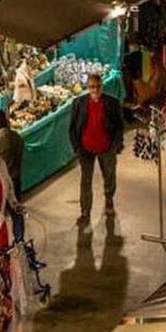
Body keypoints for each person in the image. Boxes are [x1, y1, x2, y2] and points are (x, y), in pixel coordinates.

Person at [69, 72, 123, 227]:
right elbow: (73, 128)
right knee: (86, 181)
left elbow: (119, 126)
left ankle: (109, 200)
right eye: (92, 87)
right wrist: (77, 148)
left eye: (98, 86)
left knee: (109, 176)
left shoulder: (112, 103)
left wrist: (116, 145)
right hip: (85, 149)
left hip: (107, 148)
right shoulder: (79, 103)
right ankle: (85, 212)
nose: (95, 90)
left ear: (102, 86)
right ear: (87, 87)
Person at [0, 107, 26, 242]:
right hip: (16, 177)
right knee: (16, 211)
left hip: (3, 182)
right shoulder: (16, 137)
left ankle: (0, 242)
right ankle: (19, 239)